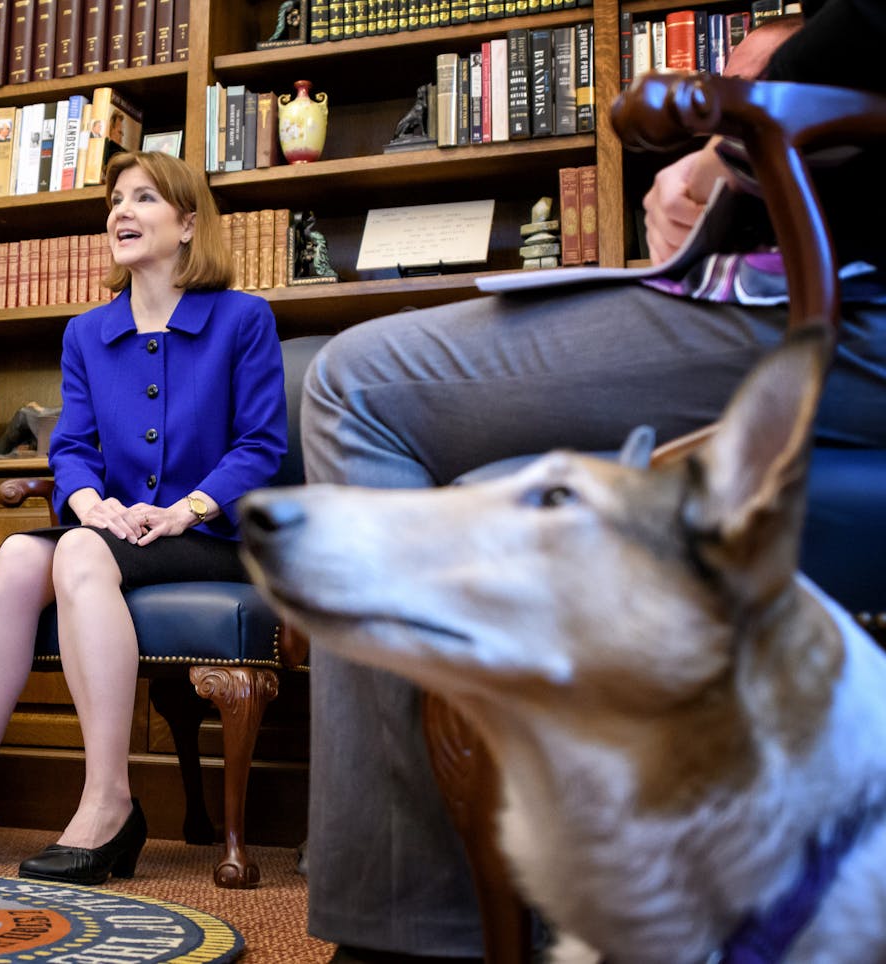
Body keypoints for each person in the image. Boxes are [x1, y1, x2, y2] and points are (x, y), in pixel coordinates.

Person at [298, 3, 886, 961]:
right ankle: (514, 889)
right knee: (486, 475)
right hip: (797, 294)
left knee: (353, 380)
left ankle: (413, 922)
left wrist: (727, 137)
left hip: (836, 316)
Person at [0, 150, 287, 884]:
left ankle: (109, 799)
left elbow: (261, 445)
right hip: (115, 527)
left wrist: (182, 510)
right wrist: (89, 503)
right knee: (20, 556)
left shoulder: (243, 320)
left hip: (211, 535)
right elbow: (74, 446)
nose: (122, 211)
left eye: (145, 199)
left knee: (78, 557)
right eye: (115, 199)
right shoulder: (88, 333)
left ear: (186, 224)